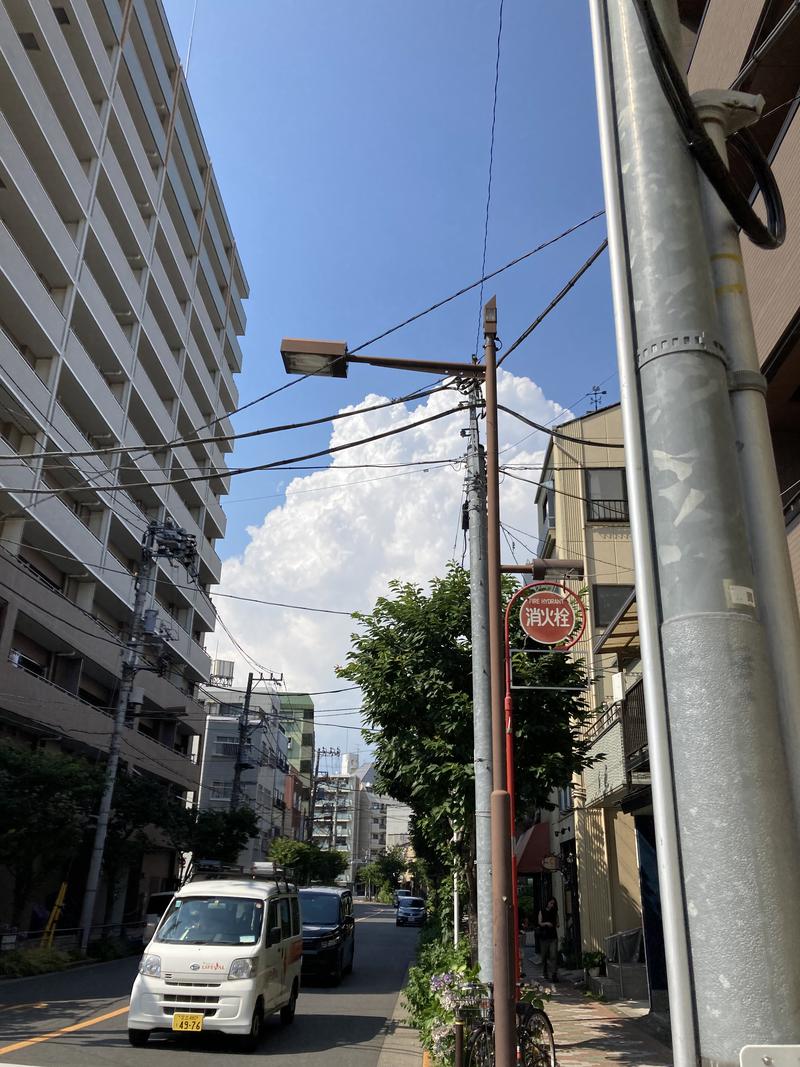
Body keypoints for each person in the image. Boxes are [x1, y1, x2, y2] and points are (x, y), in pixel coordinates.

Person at [538, 897, 559, 982]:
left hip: (553, 936)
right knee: (544, 956)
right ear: (547, 903)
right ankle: (545, 971)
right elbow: (539, 922)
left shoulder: (555, 912)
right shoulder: (542, 911)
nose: (552, 905)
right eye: (551, 903)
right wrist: (546, 923)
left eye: (554, 904)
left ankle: (554, 974)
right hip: (544, 937)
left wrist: (557, 924)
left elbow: (558, 922)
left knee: (553, 955)